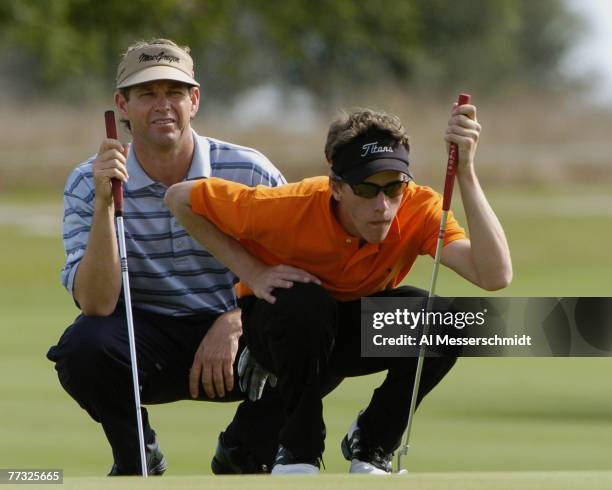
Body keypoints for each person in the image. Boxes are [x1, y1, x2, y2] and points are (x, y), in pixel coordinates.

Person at [165, 105, 513, 474]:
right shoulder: (287, 205)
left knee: (452, 321)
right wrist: (253, 271)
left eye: (394, 186)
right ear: (337, 187)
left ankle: (371, 443)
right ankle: (299, 450)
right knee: (306, 304)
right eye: (366, 189)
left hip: (348, 331)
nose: (382, 205)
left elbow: (494, 275)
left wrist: (466, 174)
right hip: (282, 326)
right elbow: (179, 198)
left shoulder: (419, 207)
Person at [46, 38, 304, 476]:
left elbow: (296, 273)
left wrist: (235, 318)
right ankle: (137, 456)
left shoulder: (250, 171)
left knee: (309, 325)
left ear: (195, 100)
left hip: (239, 341)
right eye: (147, 94)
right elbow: (96, 304)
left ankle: (245, 450)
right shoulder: (87, 182)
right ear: (121, 105)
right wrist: (107, 204)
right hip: (147, 342)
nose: (163, 105)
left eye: (175, 93)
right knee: (83, 347)